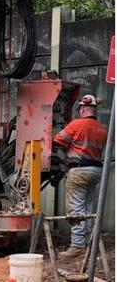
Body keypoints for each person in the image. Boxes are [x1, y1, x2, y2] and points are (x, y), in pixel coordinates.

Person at [53, 94, 108, 258]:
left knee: (76, 208)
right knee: (88, 208)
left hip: (79, 172)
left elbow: (57, 140)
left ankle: (77, 246)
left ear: (83, 110)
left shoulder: (76, 124)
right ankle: (89, 244)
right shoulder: (102, 128)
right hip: (96, 172)